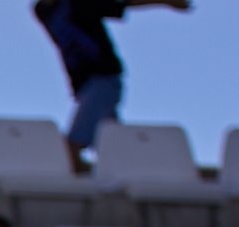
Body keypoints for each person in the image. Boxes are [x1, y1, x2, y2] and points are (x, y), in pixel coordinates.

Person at [45, 0, 187, 164]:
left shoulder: (77, 3)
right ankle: (127, 172)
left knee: (72, 147)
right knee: (114, 146)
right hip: (83, 86)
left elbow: (122, 4)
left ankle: (75, 183)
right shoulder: (41, 11)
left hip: (103, 78)